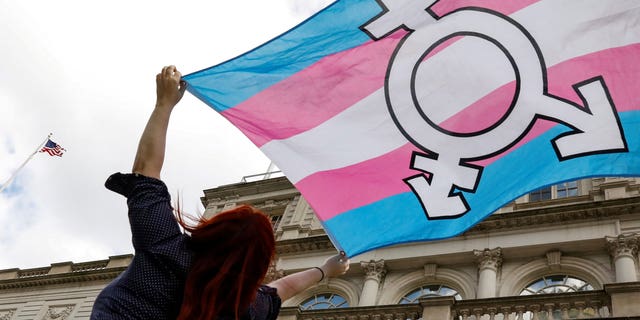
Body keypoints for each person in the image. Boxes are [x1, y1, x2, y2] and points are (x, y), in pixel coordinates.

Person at [90, 65, 350, 320]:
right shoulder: (246, 307)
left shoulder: (165, 248)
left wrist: (163, 105)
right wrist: (325, 271)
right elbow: (283, 289)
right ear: (259, 261)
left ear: (212, 229)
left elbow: (146, 170)